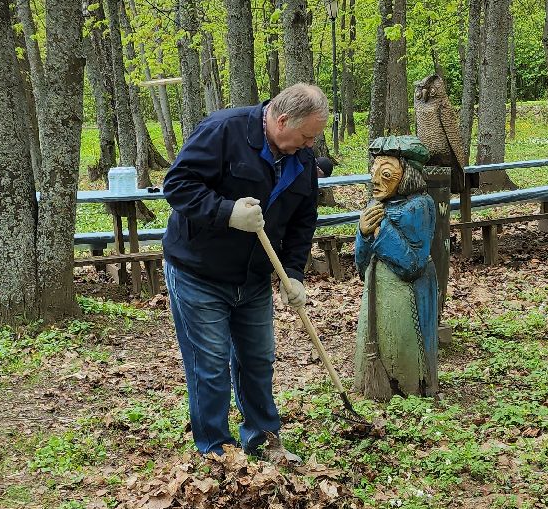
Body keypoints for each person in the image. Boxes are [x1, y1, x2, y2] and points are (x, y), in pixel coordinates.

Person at [160, 83, 327, 459]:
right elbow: (177, 185)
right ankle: (216, 449)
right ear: (282, 120)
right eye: (306, 136)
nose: (310, 145)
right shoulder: (225, 130)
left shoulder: (301, 161)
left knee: (257, 359)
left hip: (252, 280)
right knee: (211, 364)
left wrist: (294, 273)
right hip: (198, 272)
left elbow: (303, 221)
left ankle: (262, 437)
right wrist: (228, 213)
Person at [353, 136, 441, 399]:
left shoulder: (420, 206)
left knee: (403, 344)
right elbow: (361, 264)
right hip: (376, 291)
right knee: (375, 340)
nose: (375, 180)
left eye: (387, 173)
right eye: (374, 171)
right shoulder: (375, 205)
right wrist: (363, 234)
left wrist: (380, 232)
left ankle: (410, 388)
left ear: (407, 175)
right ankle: (372, 386)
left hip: (407, 297)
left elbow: (412, 265)